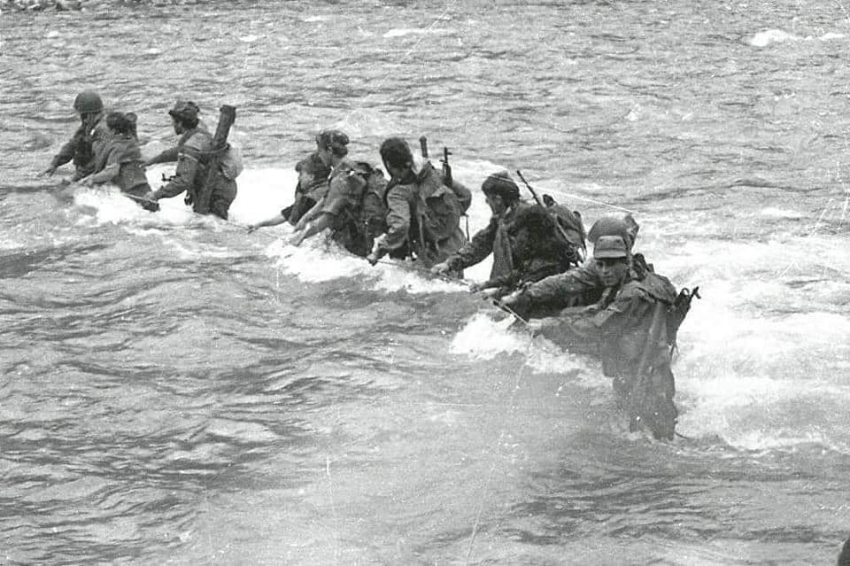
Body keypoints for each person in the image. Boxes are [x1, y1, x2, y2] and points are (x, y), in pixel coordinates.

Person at [504, 235, 681, 439]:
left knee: (655, 438)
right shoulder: (624, 284)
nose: (605, 270)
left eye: (611, 264)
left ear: (625, 263)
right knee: (639, 435)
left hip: (649, 379)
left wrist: (548, 325)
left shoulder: (633, 294)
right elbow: (598, 311)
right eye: (600, 264)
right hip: (633, 372)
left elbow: (598, 327)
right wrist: (557, 319)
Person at [431, 171, 581, 294]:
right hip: (510, 286)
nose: (486, 203)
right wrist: (449, 264)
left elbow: (540, 266)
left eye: (488, 199)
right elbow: (480, 245)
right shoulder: (501, 219)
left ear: (498, 199)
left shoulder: (531, 220)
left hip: (531, 290)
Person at [366, 137, 467, 268]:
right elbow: (465, 196)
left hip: (432, 252)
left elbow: (401, 226)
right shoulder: (433, 173)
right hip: (458, 243)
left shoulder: (397, 193)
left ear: (388, 164)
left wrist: (379, 252)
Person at [290, 130, 386, 257]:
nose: (318, 155)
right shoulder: (350, 166)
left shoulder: (340, 178)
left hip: (365, 226)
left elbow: (327, 219)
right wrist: (306, 217)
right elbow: (327, 197)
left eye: (320, 151)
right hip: (375, 219)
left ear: (329, 151)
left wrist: (301, 237)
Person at [151, 100, 237, 220]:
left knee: (211, 226)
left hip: (214, 191)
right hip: (224, 187)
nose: (172, 124)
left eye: (173, 121)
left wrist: (156, 195)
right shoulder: (200, 134)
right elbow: (178, 151)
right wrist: (153, 161)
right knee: (212, 224)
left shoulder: (191, 145)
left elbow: (184, 180)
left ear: (180, 123)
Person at [77, 111, 159, 212]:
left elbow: (111, 172)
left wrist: (91, 179)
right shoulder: (131, 140)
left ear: (112, 130)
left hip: (131, 192)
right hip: (143, 187)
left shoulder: (117, 147)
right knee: (154, 212)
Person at [247, 150, 332, 233]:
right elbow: (285, 215)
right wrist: (260, 224)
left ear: (311, 177)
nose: (299, 178)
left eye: (301, 174)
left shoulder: (313, 197)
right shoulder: (318, 191)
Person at [40, 90, 110, 182]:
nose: (81, 119)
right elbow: (73, 144)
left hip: (102, 176)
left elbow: (98, 160)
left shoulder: (104, 130)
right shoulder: (88, 125)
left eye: (82, 115)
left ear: (88, 115)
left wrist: (76, 178)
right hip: (89, 176)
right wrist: (54, 164)